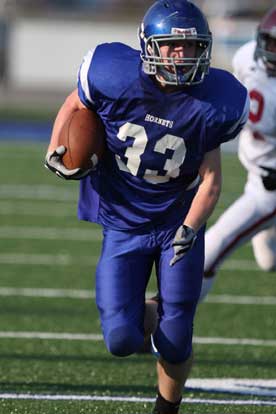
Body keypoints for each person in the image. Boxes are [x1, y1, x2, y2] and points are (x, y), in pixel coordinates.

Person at [45, 1, 249, 412]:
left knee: (177, 338)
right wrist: (56, 148)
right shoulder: (113, 73)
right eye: (172, 46)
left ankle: (166, 407)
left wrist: (190, 229)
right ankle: (152, 313)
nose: (182, 56)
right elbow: (75, 105)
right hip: (124, 220)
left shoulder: (215, 100)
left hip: (178, 219)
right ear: (148, 45)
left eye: (190, 48)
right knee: (120, 339)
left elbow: (211, 180)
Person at [200, 7, 276, 302]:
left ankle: (171, 327)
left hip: (269, 189)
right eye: (269, 42)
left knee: (209, 251)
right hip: (256, 171)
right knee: (268, 262)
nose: (271, 52)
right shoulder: (246, 56)